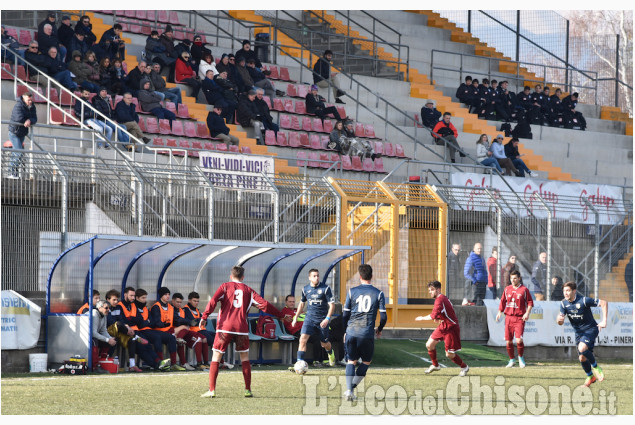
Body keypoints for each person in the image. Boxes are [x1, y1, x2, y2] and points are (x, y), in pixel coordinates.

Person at [200, 266, 284, 398]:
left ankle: (212, 390)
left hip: (224, 328)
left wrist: (204, 317)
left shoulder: (224, 287)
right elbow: (265, 305)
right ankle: (247, 390)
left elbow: (213, 301)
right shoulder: (248, 291)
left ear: (230, 276)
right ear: (243, 277)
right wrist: (280, 314)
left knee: (216, 356)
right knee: (244, 358)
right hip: (241, 328)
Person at [342, 264, 387, 401]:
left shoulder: (351, 291)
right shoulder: (378, 293)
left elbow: (345, 315)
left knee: (351, 361)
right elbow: (384, 317)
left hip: (351, 331)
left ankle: (349, 390)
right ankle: (351, 389)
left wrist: (345, 331)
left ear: (360, 276)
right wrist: (379, 329)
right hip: (366, 333)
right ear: (371, 276)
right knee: (366, 362)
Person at [557, 281, 607, 387]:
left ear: (574, 291)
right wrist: (559, 320)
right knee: (582, 358)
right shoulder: (563, 304)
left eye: (568, 290)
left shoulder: (584, 300)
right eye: (564, 291)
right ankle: (590, 376)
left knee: (582, 348)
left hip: (591, 329)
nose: (565, 293)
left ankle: (596, 367)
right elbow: (560, 322)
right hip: (578, 333)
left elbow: (604, 303)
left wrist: (604, 321)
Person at [415, 281, 469, 377]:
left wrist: (422, 318)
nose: (430, 292)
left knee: (449, 354)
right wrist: (439, 318)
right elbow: (445, 311)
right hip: (443, 325)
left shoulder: (440, 300)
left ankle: (464, 367)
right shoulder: (441, 298)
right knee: (429, 345)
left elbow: (433, 316)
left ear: (438, 290)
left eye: (432, 290)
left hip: (451, 328)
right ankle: (435, 365)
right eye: (429, 290)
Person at [117, 287, 171, 372]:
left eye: (133, 296)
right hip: (126, 332)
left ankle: (158, 362)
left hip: (136, 331)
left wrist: (132, 319)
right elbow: (122, 320)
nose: (133, 298)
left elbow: (139, 320)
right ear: (125, 295)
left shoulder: (133, 305)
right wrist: (132, 320)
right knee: (141, 347)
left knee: (147, 345)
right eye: (131, 296)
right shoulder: (119, 306)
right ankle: (156, 365)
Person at [291, 268, 337, 368]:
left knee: (324, 343)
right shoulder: (305, 289)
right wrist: (296, 318)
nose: (317, 278)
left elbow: (332, 306)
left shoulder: (325, 288)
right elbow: (302, 304)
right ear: (309, 278)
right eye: (314, 276)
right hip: (309, 319)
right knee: (302, 339)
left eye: (318, 276)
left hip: (322, 320)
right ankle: (299, 363)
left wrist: (327, 319)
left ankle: (330, 353)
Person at [104, 289, 149, 373]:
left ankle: (132, 365)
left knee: (131, 341)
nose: (116, 301)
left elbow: (122, 319)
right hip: (108, 331)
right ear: (107, 299)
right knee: (118, 324)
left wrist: (127, 327)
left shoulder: (118, 308)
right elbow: (110, 321)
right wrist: (125, 326)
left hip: (119, 331)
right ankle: (135, 336)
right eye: (113, 300)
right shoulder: (105, 308)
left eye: (117, 299)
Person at [496, 270, 533, 368]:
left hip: (519, 318)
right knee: (508, 341)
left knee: (519, 340)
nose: (513, 280)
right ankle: (512, 359)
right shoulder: (507, 289)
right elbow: (503, 301)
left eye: (515, 278)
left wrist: (527, 313)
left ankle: (520, 357)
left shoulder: (524, 290)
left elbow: (530, 302)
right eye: (511, 278)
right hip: (508, 317)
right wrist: (499, 312)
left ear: (519, 278)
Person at [147, 287, 186, 371]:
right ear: (161, 295)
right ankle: (161, 363)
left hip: (167, 331)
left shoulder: (170, 307)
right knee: (158, 338)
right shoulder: (156, 307)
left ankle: (173, 364)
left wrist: (188, 322)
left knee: (172, 338)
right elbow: (157, 321)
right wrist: (163, 324)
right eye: (165, 294)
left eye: (168, 294)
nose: (167, 296)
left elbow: (177, 319)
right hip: (157, 331)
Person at [171, 292, 208, 371]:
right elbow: (177, 321)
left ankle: (200, 363)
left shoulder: (181, 310)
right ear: (173, 301)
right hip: (172, 331)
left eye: (180, 302)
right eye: (177, 302)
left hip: (184, 331)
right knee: (182, 335)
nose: (179, 304)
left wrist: (185, 322)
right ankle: (183, 363)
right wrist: (185, 323)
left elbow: (187, 321)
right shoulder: (171, 309)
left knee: (200, 338)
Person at [7, 91, 37, 179]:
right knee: (19, 152)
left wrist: (30, 121)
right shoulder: (18, 105)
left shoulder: (32, 106)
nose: (30, 102)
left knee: (16, 153)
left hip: (22, 133)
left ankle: (13, 173)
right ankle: (11, 173)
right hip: (14, 132)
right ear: (23, 98)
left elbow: (35, 118)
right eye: (28, 100)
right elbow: (18, 117)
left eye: (31, 100)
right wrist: (27, 120)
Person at [182, 291, 215, 365]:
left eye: (197, 301)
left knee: (217, 336)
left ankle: (219, 361)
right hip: (195, 332)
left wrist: (200, 320)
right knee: (211, 339)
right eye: (194, 301)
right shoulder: (186, 309)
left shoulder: (197, 310)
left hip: (202, 330)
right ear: (189, 300)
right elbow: (192, 322)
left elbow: (204, 321)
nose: (196, 303)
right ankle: (212, 362)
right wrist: (200, 320)